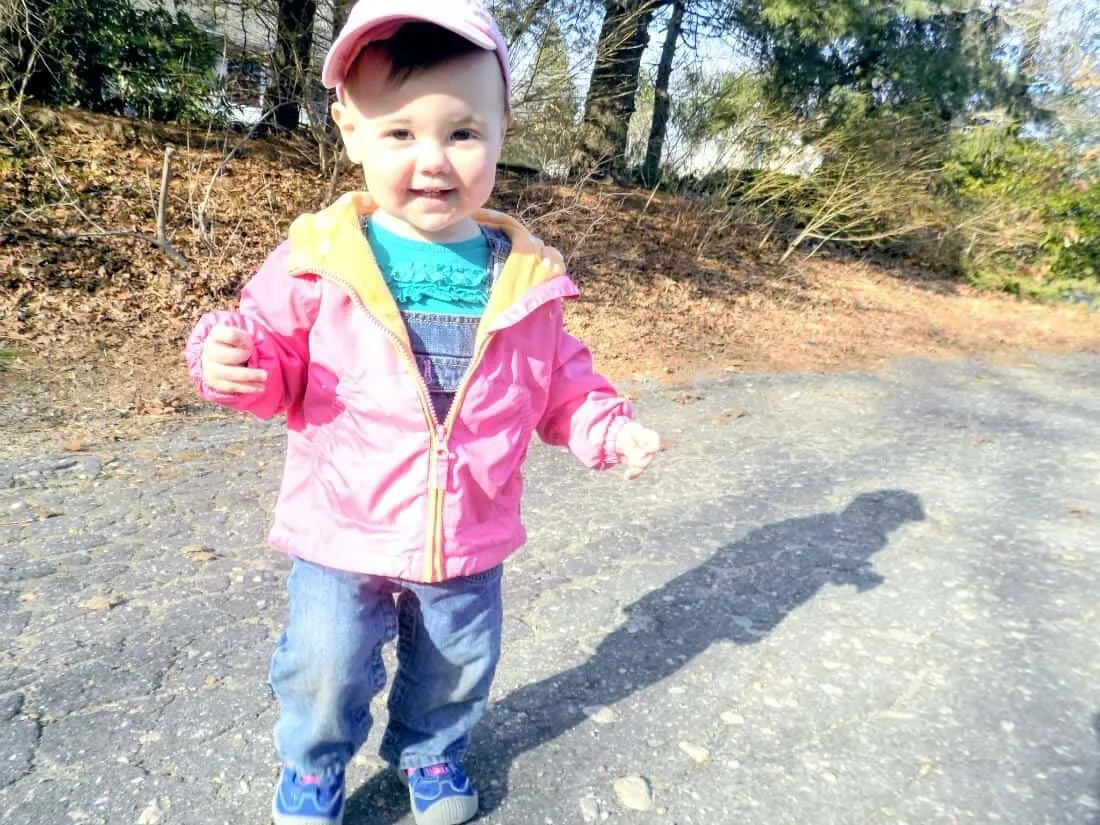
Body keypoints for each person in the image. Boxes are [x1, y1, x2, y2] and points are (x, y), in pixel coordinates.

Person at [184, 1, 661, 823]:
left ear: (505, 129)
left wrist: (606, 426)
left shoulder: (524, 276)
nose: (433, 161)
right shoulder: (319, 258)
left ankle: (432, 756)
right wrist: (234, 363)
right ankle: (313, 766)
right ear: (349, 131)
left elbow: (560, 382)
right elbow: (273, 361)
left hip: (467, 529)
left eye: (462, 133)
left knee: (456, 663)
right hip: (343, 525)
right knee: (324, 663)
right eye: (400, 133)